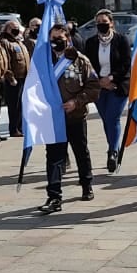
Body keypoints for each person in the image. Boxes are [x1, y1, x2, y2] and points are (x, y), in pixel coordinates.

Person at [39, 24, 102, 213]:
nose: (56, 42)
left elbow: (93, 87)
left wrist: (77, 102)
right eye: (53, 38)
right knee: (54, 156)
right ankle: (54, 196)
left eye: (60, 37)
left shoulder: (79, 60)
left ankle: (86, 184)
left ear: (67, 38)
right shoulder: (44, 62)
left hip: (75, 115)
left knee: (80, 151)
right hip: (54, 118)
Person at [84, 9, 131, 173]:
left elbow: (126, 64)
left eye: (104, 22)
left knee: (113, 117)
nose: (101, 25)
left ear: (111, 23)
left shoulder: (121, 40)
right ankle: (113, 147)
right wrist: (99, 81)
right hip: (99, 87)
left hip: (117, 86)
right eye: (98, 23)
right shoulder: (90, 43)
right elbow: (87, 65)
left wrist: (111, 79)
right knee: (106, 120)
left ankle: (113, 152)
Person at [0, 20, 29, 138]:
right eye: (12, 28)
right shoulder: (5, 42)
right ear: (6, 29)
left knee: (21, 104)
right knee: (14, 105)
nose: (16, 30)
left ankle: (20, 127)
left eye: (17, 27)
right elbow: (6, 62)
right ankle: (14, 128)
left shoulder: (18, 41)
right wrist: (10, 77)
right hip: (14, 79)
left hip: (23, 77)